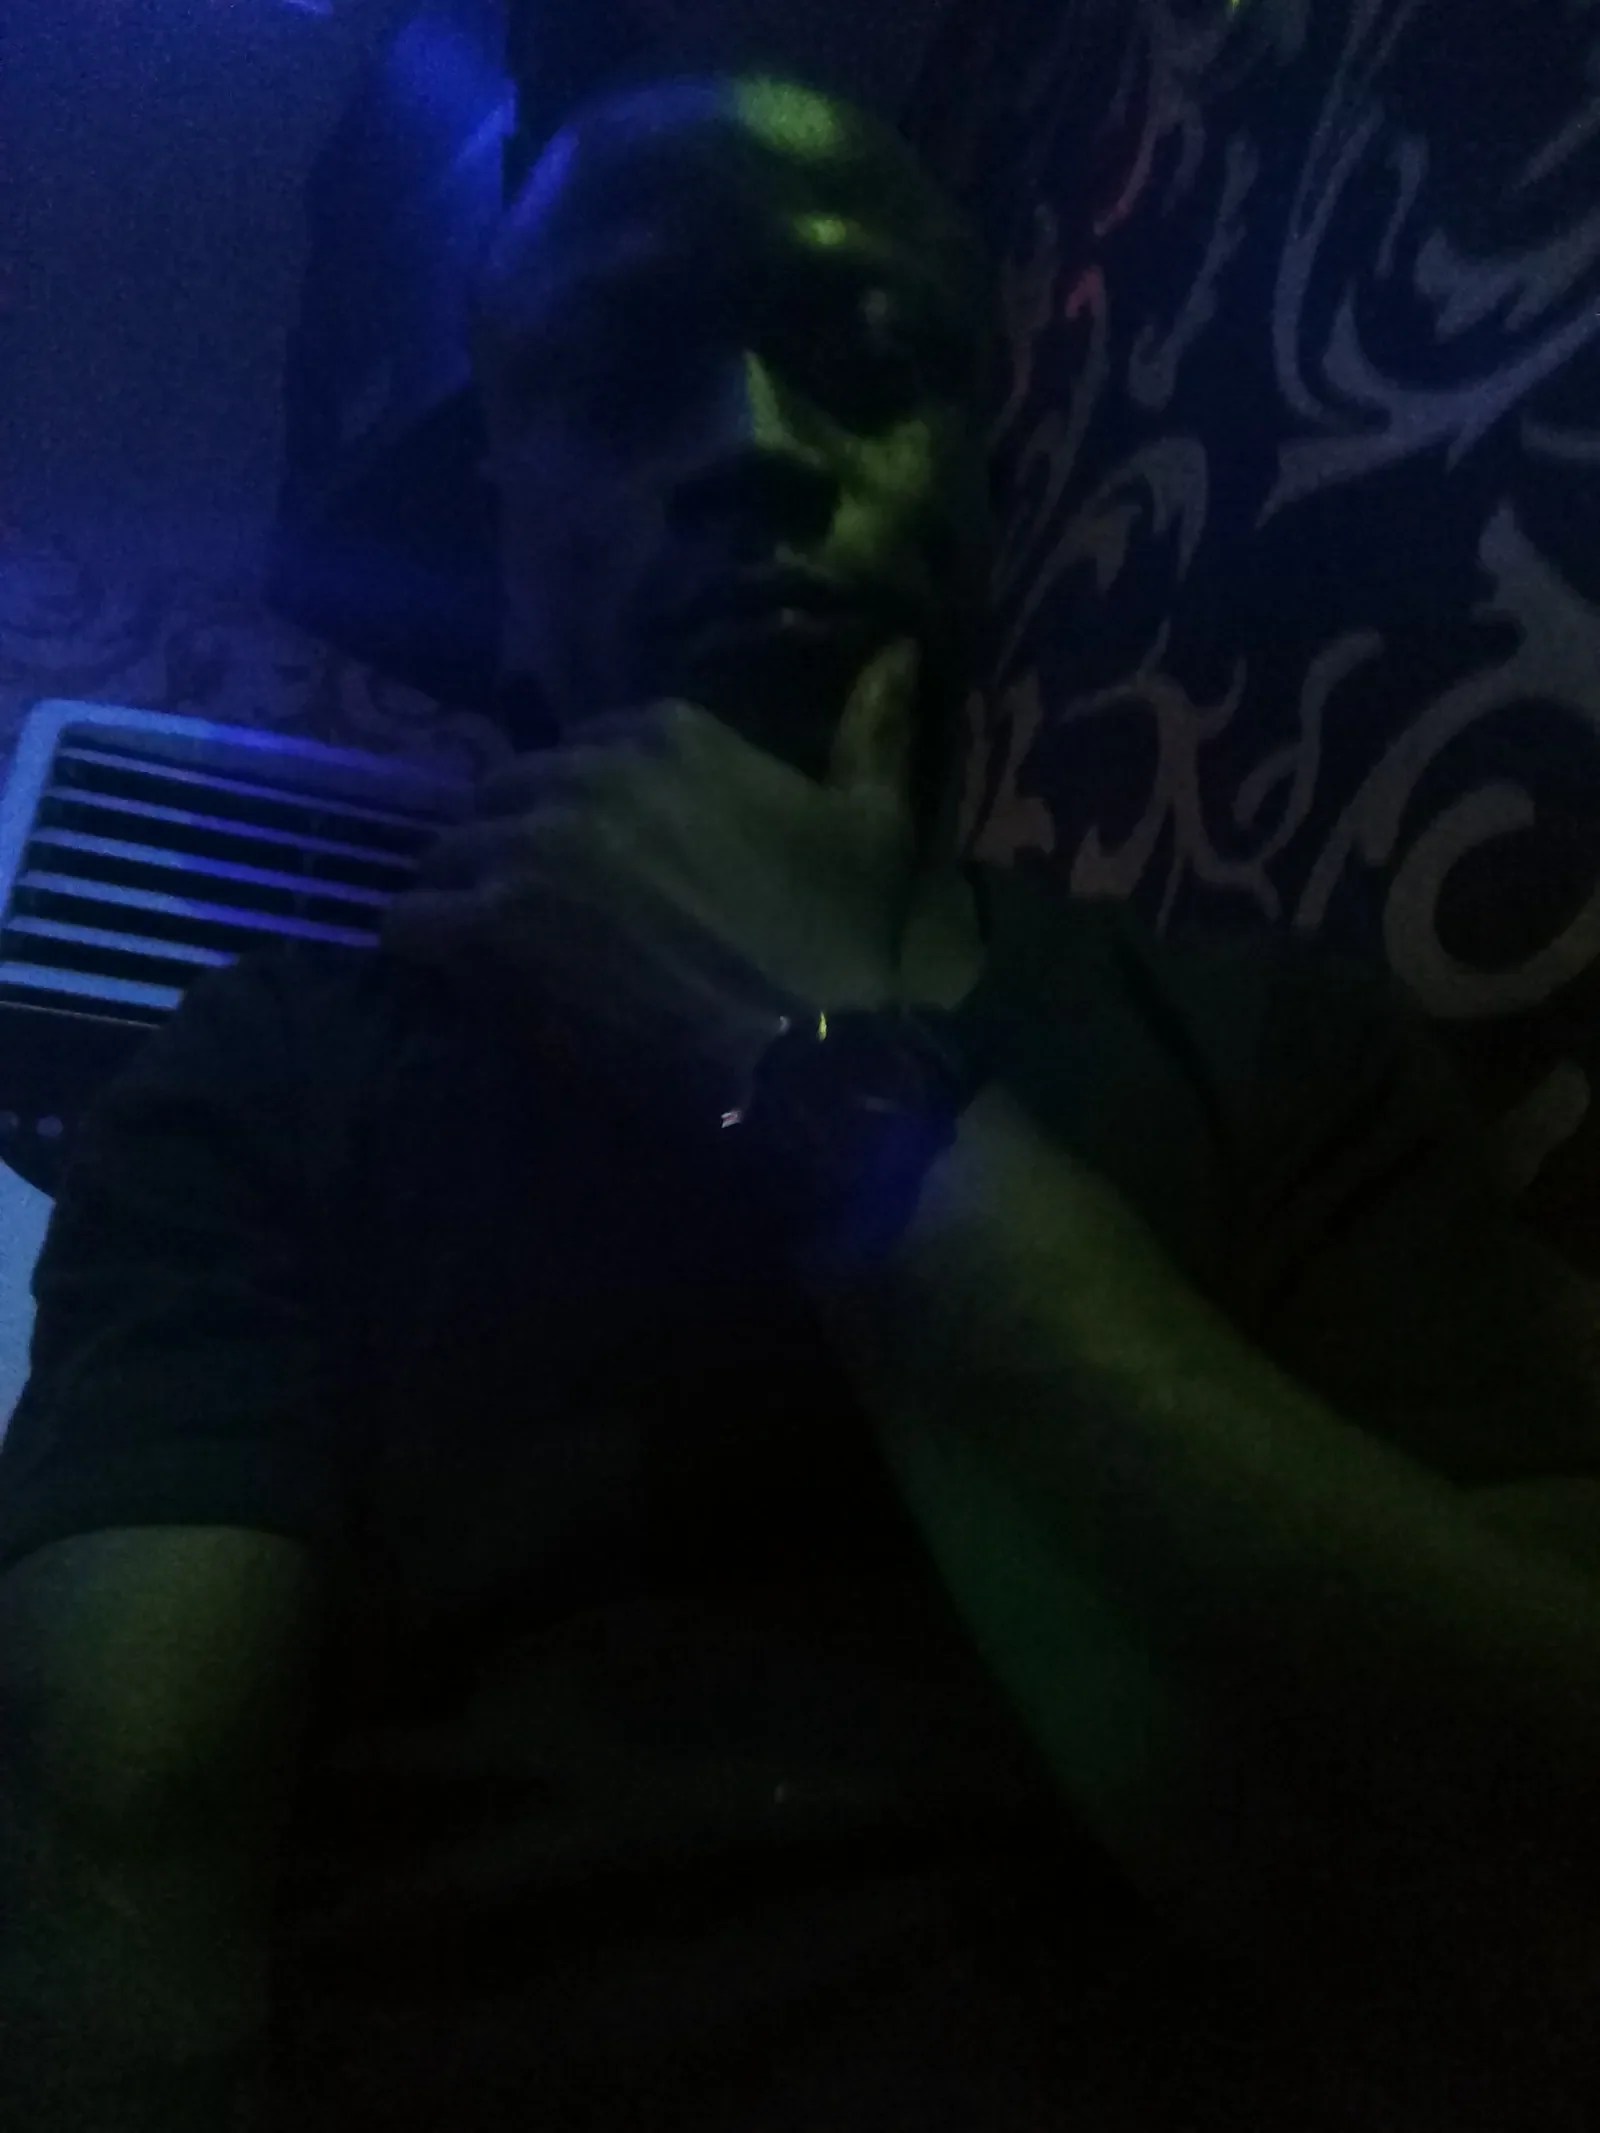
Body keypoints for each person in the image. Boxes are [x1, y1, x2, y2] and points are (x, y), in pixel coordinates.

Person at [2, 69, 1599, 2133]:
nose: (756, 444)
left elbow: (1541, 1835)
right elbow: (106, 1872)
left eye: (862, 363)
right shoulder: (266, 1067)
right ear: (503, 534)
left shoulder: (1288, 1047)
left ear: (987, 479)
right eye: (621, 378)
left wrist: (809, 1065)